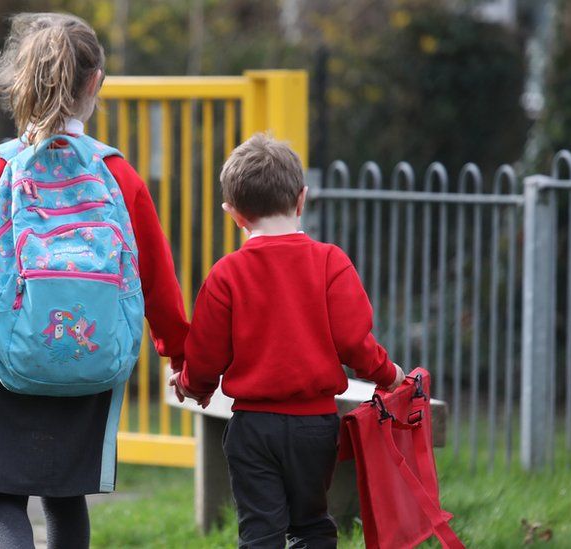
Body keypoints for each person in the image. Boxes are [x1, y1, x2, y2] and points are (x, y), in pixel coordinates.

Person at [0, 12, 189, 549]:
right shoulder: (116, 174)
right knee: (65, 493)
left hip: (1, 358)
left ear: (18, 83)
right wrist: (177, 350)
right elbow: (155, 274)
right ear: (95, 83)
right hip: (88, 357)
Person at [170, 134, 405, 549]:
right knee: (312, 525)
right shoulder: (330, 262)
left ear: (235, 214)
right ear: (302, 199)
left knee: (260, 530)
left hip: (253, 428)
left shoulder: (227, 274)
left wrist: (194, 386)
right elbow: (354, 341)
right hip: (315, 426)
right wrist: (388, 375)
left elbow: (206, 352)